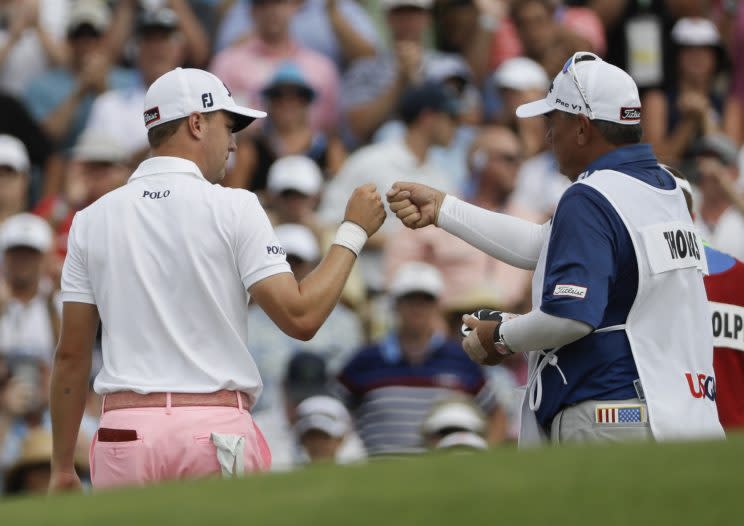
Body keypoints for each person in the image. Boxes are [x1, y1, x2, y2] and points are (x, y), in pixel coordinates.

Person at [48, 67, 385, 492]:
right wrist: (352, 231)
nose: (233, 142)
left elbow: (71, 356)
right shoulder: (236, 207)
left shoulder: (90, 220)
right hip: (213, 429)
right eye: (228, 126)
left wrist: (62, 468)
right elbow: (301, 317)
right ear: (195, 123)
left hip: (124, 433)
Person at [386, 51, 724, 444]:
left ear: (581, 128)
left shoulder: (591, 196)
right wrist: (444, 209)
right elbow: (544, 245)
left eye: (553, 121)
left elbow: (571, 315)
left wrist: (499, 336)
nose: (547, 136)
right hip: (686, 412)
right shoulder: (668, 188)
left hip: (613, 413)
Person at [337, 262, 503, 456]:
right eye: (410, 300)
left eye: (426, 300)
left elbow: (496, 414)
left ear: (436, 306)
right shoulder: (365, 359)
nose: (418, 308)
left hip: (446, 473)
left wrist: (485, 456)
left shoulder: (461, 358)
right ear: (396, 305)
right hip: (378, 472)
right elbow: (337, 409)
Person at [0, 213, 57, 364]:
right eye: (16, 253)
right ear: (5, 256)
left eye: (31, 254)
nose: (23, 261)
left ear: (43, 258)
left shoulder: (57, 300)